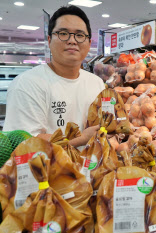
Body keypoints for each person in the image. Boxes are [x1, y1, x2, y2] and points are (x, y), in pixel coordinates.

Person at [3, 5, 105, 147]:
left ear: (89, 43)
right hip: (46, 168)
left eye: (80, 35)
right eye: (63, 33)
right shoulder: (27, 84)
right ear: (49, 40)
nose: (72, 40)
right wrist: (80, 139)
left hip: (92, 168)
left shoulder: (97, 83)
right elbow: (22, 143)